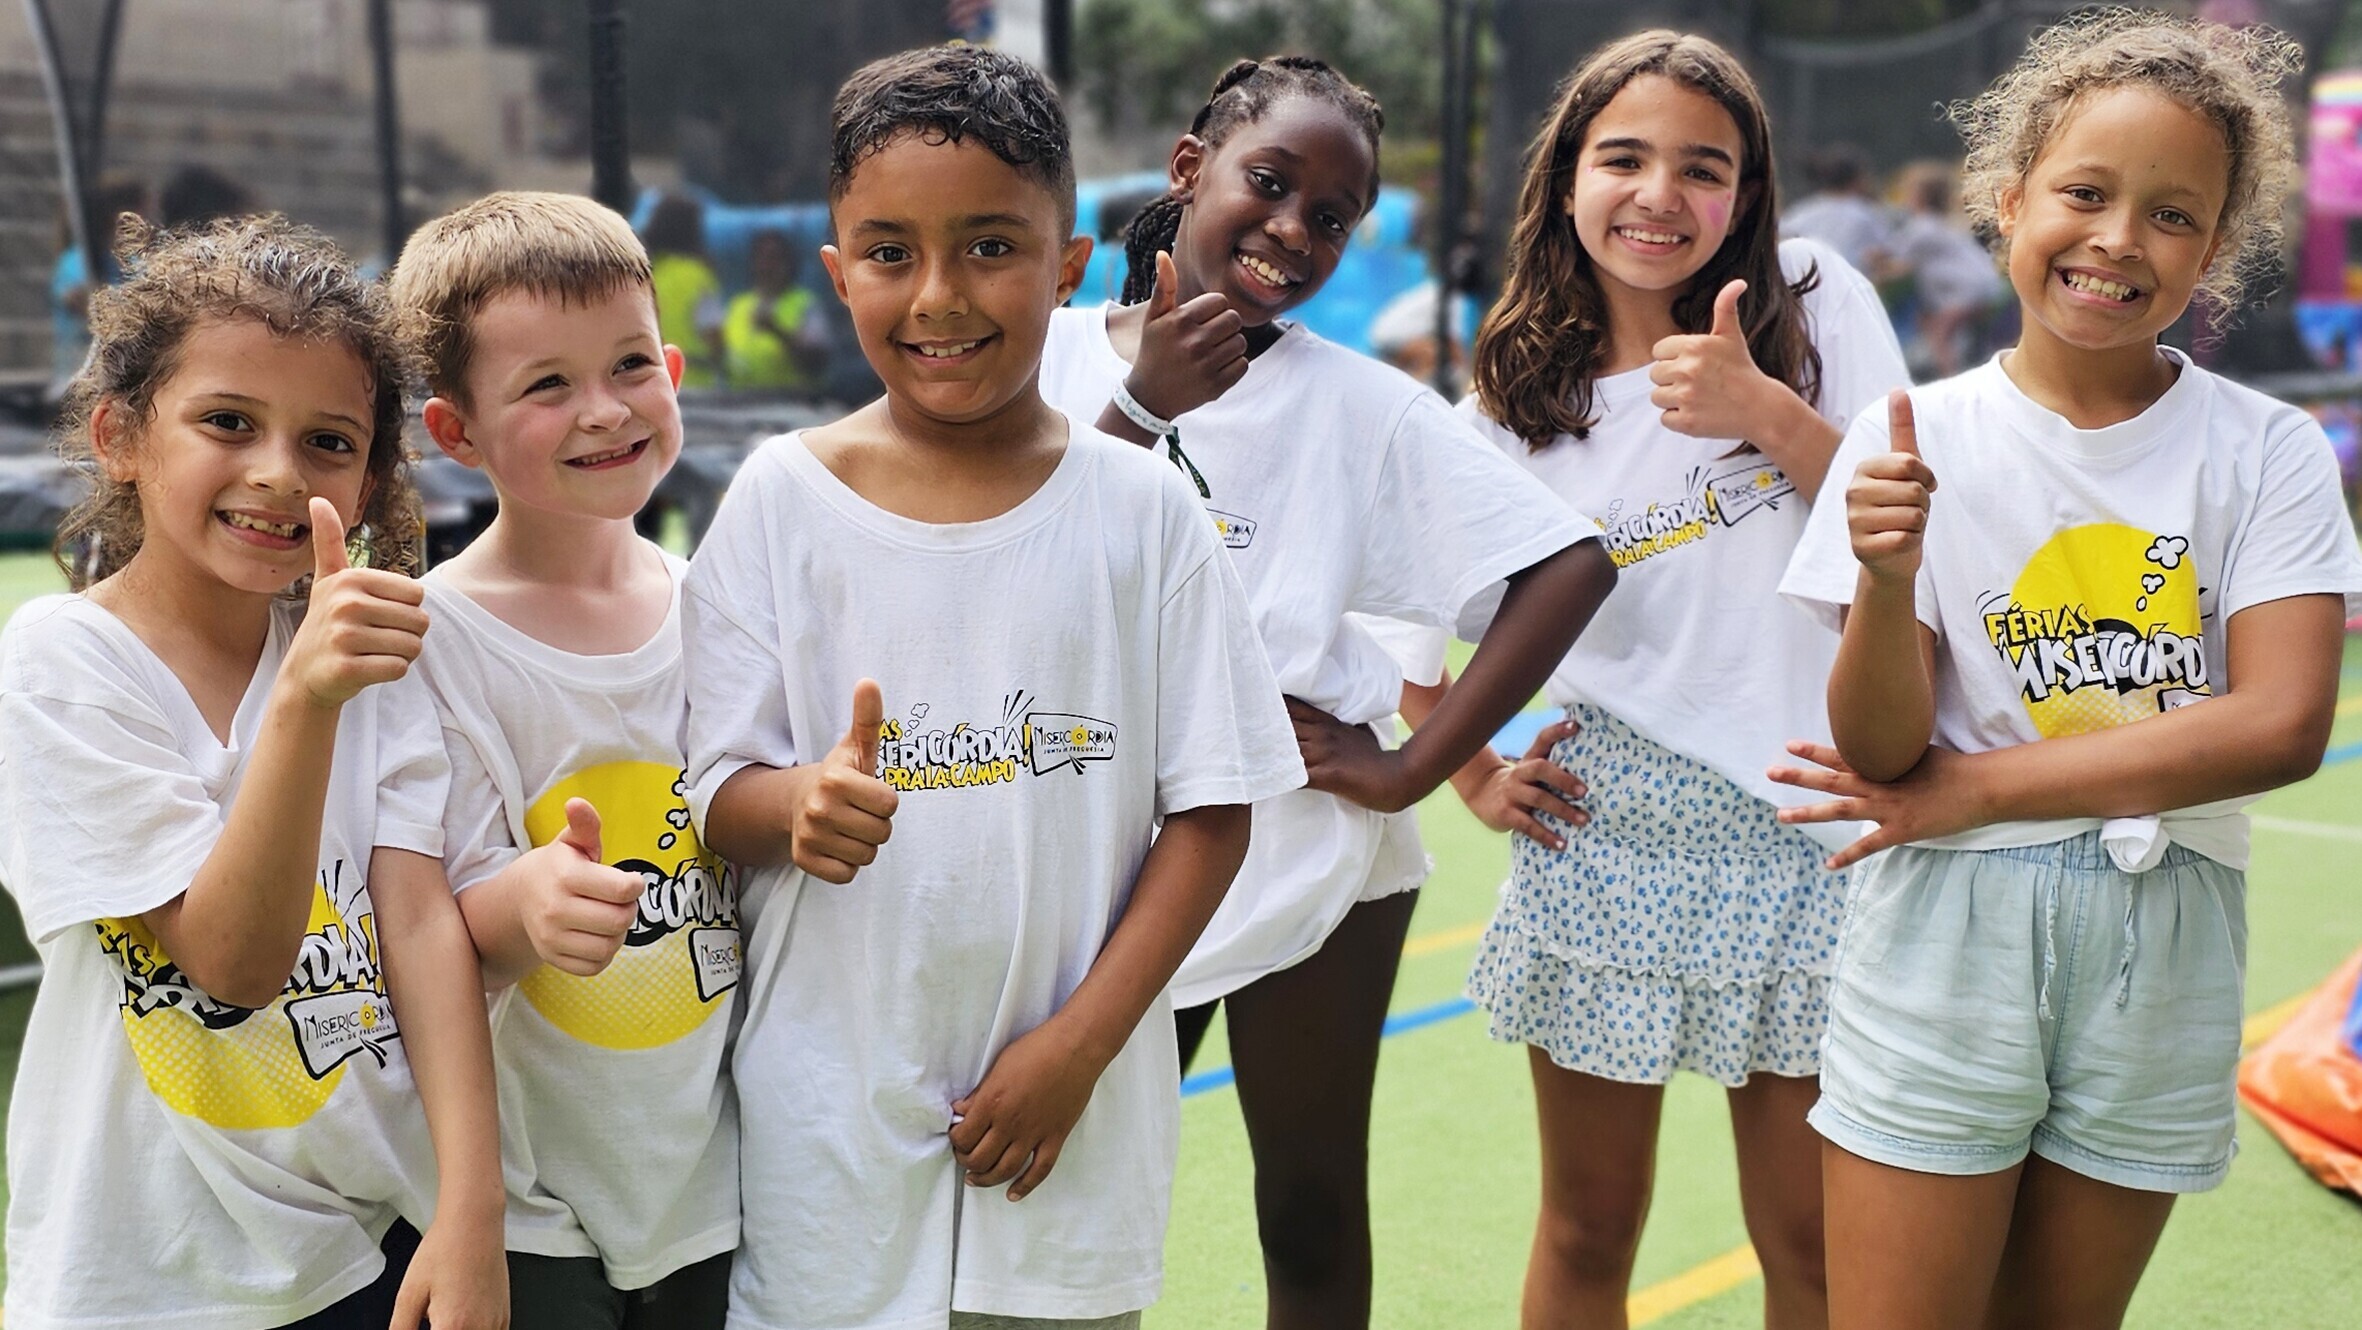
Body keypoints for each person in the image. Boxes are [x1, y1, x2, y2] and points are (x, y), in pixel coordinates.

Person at [680, 46, 1304, 1330]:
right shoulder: (775, 507)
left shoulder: (1143, 514)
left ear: (1069, 263)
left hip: (1062, 1145)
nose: (938, 296)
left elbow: (1215, 810)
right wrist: (793, 803)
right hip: (829, 1144)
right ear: (837, 269)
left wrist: (1079, 1050)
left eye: (989, 247)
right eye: (890, 251)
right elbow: (711, 793)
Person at [1774, 12, 2362, 1329]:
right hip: (1945, 933)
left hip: (2160, 937)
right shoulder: (1910, 433)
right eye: (2083, 193)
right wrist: (1882, 577)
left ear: (2210, 250)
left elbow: (2277, 723)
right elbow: (1879, 752)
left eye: (2168, 214)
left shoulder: (2264, 449)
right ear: (2007, 202)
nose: (2113, 240)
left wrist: (1978, 788)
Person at [1035, 55, 1619, 1330]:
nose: (1295, 231)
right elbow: (1021, 576)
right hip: (1085, 849)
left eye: (1334, 217)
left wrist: (1415, 768)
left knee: (1305, 1202)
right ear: (1190, 171)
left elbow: (1569, 565)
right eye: (1271, 183)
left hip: (1304, 854)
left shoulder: (1360, 409)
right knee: (1061, 1204)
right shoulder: (1045, 361)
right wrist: (1138, 407)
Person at [1424, 30, 1910, 1330]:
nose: (1658, 196)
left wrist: (1764, 411)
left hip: (1818, 824)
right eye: (1622, 158)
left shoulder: (1815, 299)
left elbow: (1915, 540)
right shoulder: (1511, 406)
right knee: (1587, 1224)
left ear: (1745, 197)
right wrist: (1471, 774)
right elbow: (1397, 639)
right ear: (1565, 180)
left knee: (1808, 1230)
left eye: (1702, 168)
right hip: (1608, 830)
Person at [0, 215, 505, 1328]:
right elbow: (232, 960)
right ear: (121, 437)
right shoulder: (61, 662)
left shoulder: (373, 664)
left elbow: (422, 929)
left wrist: (472, 1209)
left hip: (374, 1244)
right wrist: (306, 699)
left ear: (371, 482)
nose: (278, 475)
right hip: (148, 1275)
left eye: (329, 442)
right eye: (228, 422)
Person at [392, 191, 739, 1328]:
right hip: (530, 1203)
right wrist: (520, 901)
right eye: (547, 384)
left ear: (674, 369)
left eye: (630, 364)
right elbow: (423, 920)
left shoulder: (720, 611)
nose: (605, 410)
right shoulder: (431, 644)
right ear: (456, 432)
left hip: (713, 1184)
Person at [1877, 164, 2008, 377]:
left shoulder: (1922, 228)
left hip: (1967, 292)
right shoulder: (1945, 224)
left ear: (1919, 196)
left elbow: (1896, 264)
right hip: (1987, 287)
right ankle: (1966, 367)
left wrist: (1873, 274)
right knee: (1942, 329)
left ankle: (1951, 378)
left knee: (1939, 334)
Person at [723, 228, 829, 390]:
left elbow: (817, 362)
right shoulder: (739, 305)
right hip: (740, 401)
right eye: (762, 258)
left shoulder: (805, 304)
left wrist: (777, 331)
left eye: (774, 259)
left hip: (791, 402)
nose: (767, 266)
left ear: (789, 264)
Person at [644, 193, 725, 389]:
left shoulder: (648, 272)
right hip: (695, 384)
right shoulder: (697, 275)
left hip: (653, 382)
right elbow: (713, 336)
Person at [1783, 144, 1890, 274]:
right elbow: (1883, 252)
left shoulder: (1802, 211)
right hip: (1850, 284)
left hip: (1808, 283)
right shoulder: (1865, 213)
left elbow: (1784, 239)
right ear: (1857, 178)